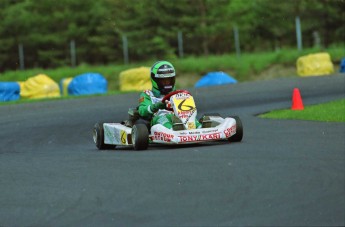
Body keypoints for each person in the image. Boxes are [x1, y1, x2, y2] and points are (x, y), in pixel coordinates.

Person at [137, 60, 201, 130]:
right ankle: (172, 130)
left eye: (169, 80)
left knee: (190, 118)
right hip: (158, 119)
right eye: (163, 81)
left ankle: (200, 128)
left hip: (177, 117)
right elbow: (142, 111)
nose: (167, 83)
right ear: (155, 80)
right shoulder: (147, 94)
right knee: (164, 119)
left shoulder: (178, 94)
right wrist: (157, 106)